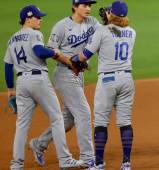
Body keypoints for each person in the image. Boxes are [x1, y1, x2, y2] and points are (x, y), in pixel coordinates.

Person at [4, 5, 84, 169]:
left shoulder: (11, 39)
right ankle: (65, 160)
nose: (40, 19)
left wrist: (10, 91)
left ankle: (16, 164)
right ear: (28, 18)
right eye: (38, 17)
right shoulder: (35, 34)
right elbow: (39, 51)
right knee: (57, 118)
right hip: (38, 80)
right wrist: (54, 52)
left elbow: (7, 65)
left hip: (22, 83)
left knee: (22, 125)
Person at [28, 0, 101, 168]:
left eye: (90, 5)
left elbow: (101, 38)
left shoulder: (93, 22)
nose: (88, 8)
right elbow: (50, 51)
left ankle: (38, 144)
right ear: (75, 6)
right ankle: (89, 158)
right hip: (64, 73)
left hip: (78, 74)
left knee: (68, 119)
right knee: (83, 113)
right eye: (84, 5)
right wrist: (71, 62)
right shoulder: (61, 26)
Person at [71, 1, 135, 169]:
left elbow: (84, 56)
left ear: (110, 14)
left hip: (108, 81)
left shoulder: (102, 31)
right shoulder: (132, 32)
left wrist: (73, 60)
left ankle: (98, 163)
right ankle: (126, 163)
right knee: (125, 122)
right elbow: (117, 32)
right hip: (127, 80)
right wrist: (110, 20)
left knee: (100, 121)